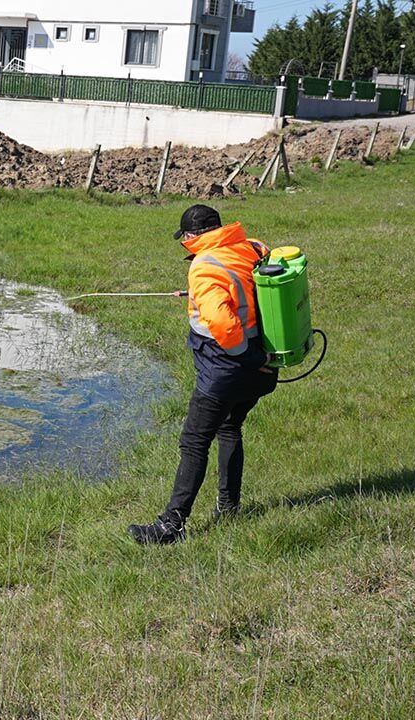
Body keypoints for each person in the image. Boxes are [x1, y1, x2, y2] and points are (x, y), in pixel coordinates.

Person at [128, 205, 279, 545]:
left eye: (185, 240)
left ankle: (171, 525)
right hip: (265, 368)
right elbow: (245, 291)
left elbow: (225, 324)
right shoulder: (254, 248)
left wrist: (250, 357)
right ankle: (228, 508)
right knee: (230, 427)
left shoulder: (204, 265)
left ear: (193, 237)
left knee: (194, 441)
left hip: (229, 368)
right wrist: (260, 358)